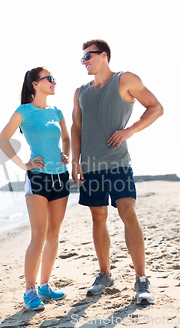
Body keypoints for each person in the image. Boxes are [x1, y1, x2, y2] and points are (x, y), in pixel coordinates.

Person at [71, 39, 164, 304]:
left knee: (127, 211)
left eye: (88, 56)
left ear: (104, 56)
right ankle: (104, 274)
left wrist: (129, 130)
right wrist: (75, 161)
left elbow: (156, 108)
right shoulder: (80, 92)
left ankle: (142, 280)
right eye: (82, 59)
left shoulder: (125, 79)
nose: (84, 62)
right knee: (98, 218)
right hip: (90, 168)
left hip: (118, 164)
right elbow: (76, 128)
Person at [0, 67, 71, 311]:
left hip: (60, 177)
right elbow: (2, 140)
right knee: (38, 235)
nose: (54, 82)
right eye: (49, 79)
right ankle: (29, 291)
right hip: (37, 178)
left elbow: (67, 139)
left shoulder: (56, 111)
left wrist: (66, 154)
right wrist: (24, 164)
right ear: (35, 84)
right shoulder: (24, 111)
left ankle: (45, 285)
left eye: (54, 79)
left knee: (53, 234)